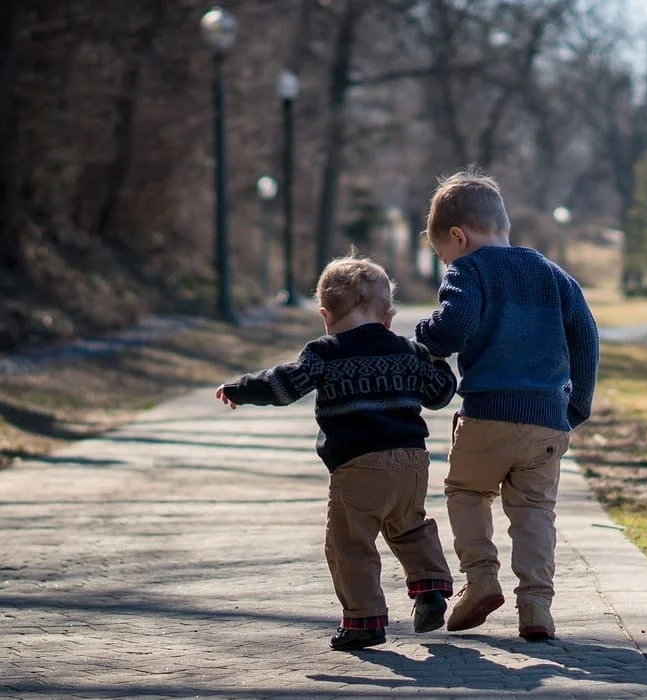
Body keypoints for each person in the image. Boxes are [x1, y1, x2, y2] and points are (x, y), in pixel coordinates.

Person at [215, 254, 457, 651]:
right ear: (388, 315)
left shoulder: (324, 353)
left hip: (358, 464)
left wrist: (242, 389)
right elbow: (439, 394)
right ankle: (430, 589)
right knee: (410, 526)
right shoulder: (407, 351)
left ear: (325, 315)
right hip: (412, 462)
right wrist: (439, 360)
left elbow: (284, 386)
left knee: (350, 543)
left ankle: (364, 620)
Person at [415, 170, 599, 641]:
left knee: (467, 492)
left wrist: (425, 336)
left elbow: (452, 327)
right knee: (535, 510)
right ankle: (536, 606)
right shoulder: (552, 273)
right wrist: (576, 404)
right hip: (546, 421)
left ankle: (480, 580)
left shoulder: (468, 270)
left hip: (488, 415)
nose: (446, 262)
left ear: (459, 236)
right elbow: (586, 337)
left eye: (442, 255)